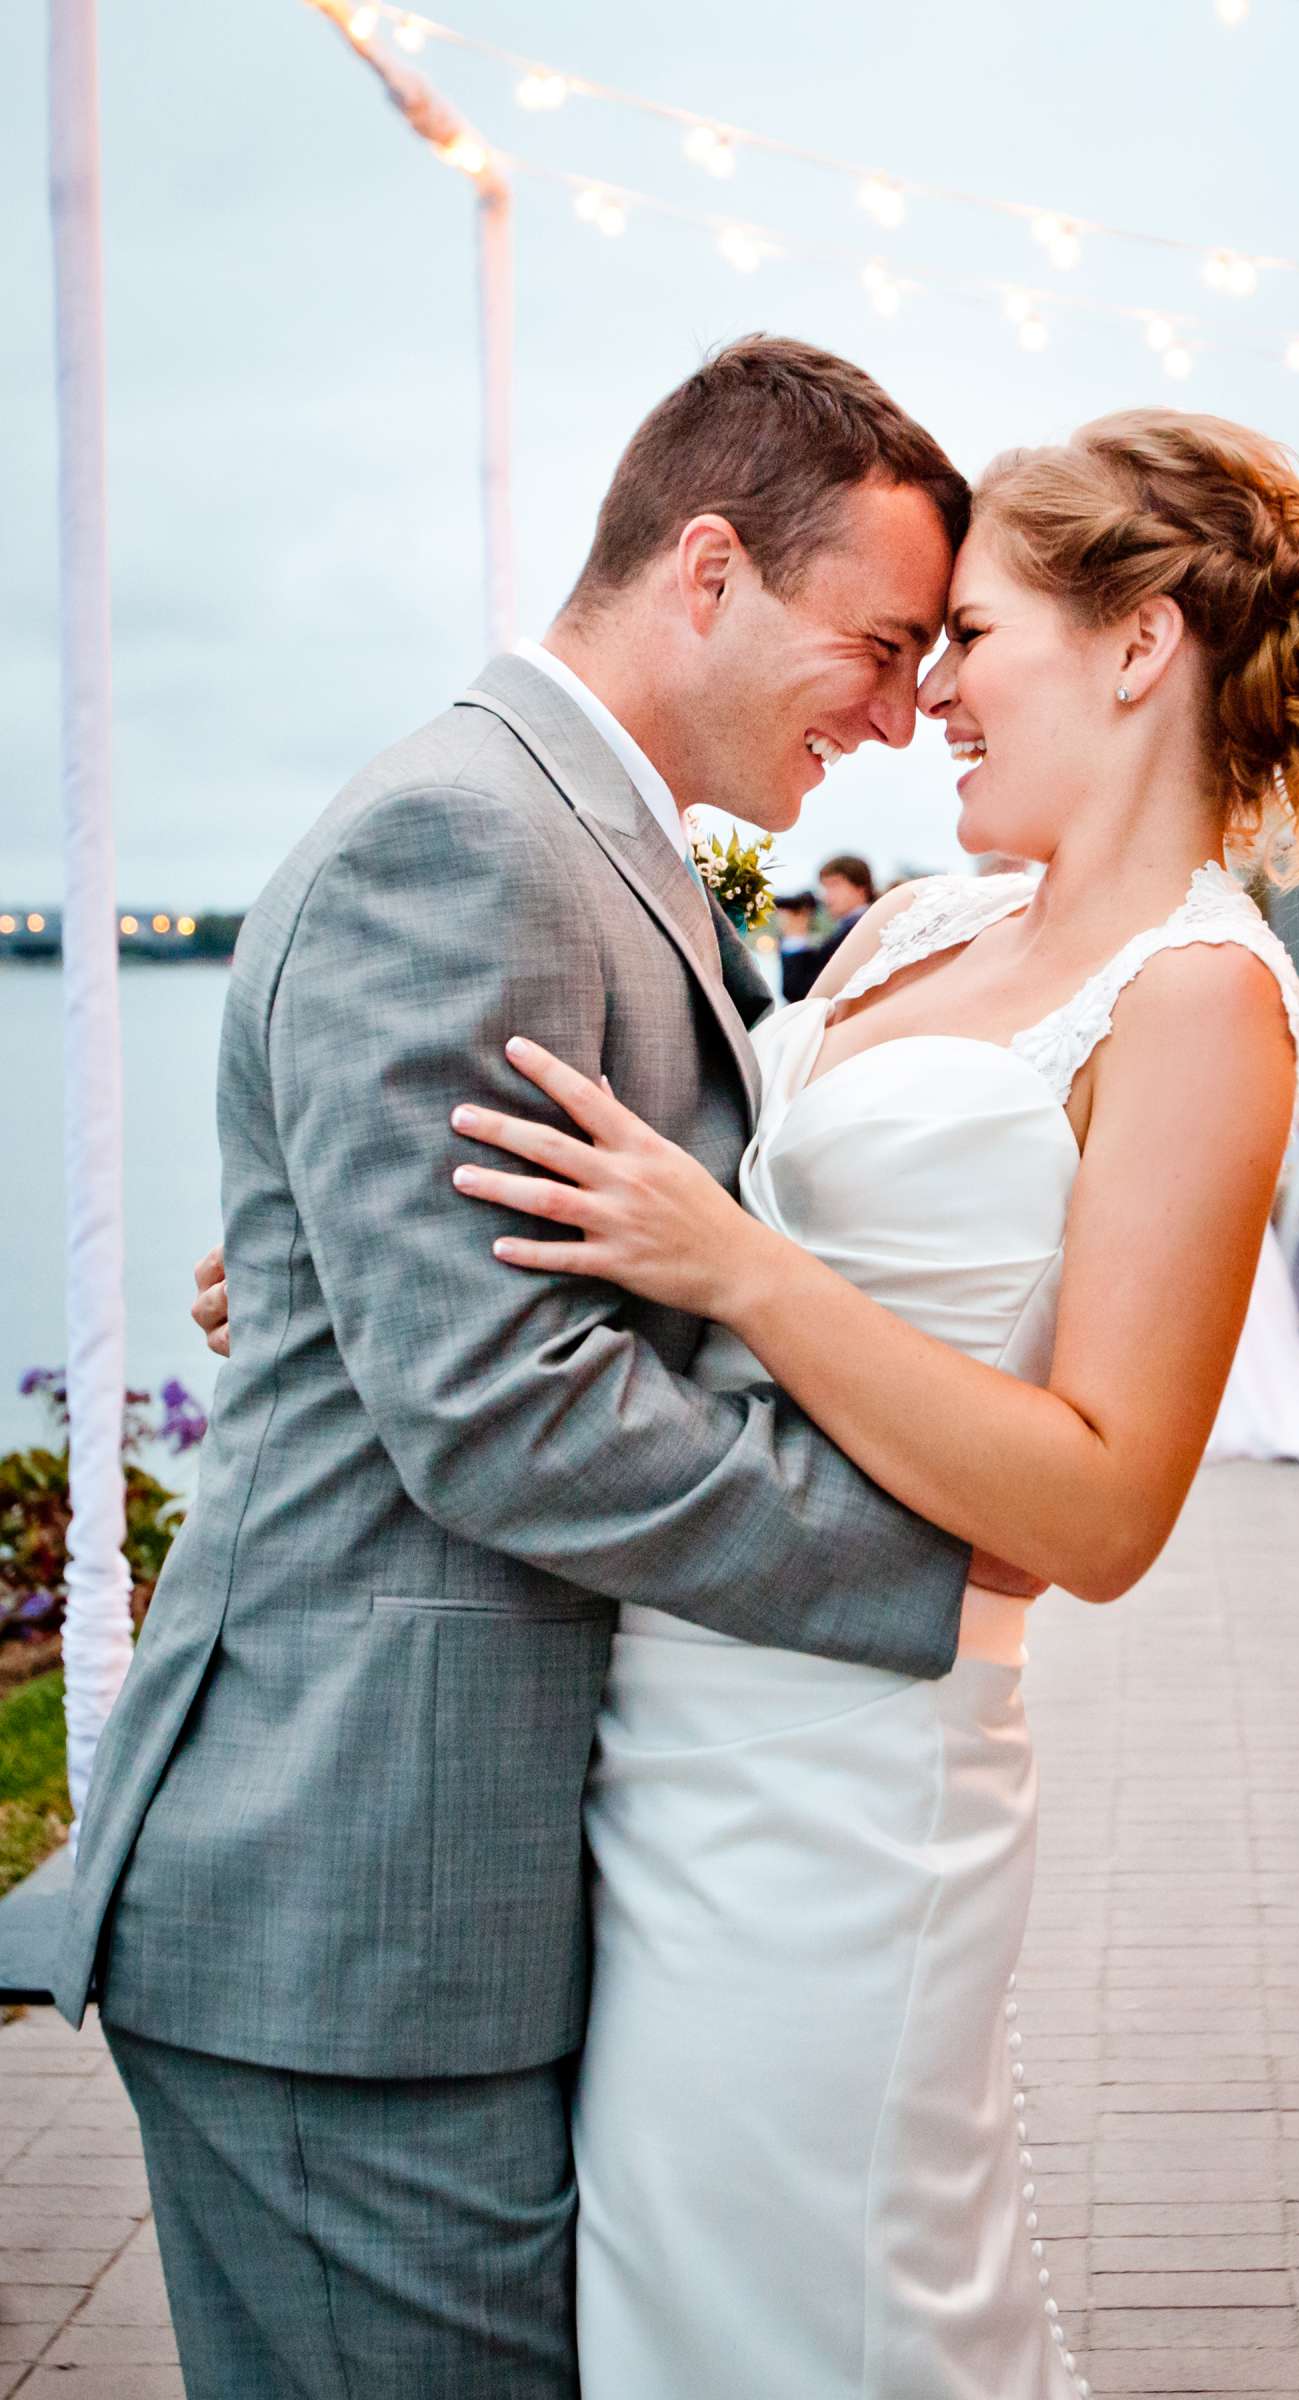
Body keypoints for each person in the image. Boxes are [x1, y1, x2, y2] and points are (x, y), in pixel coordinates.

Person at [57, 335, 984, 2400]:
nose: (909, 708)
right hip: (350, 1904)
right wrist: (928, 1552)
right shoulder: (469, 840)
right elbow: (499, 1403)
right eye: (885, 641)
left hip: (456, 1896)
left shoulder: (572, 831)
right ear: (712, 569)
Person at [451, 407, 1299, 2397]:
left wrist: (745, 1273)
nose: (925, 696)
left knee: (818, 2316)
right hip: (661, 1725)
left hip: (854, 1777)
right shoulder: (916, 923)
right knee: (661, 2318)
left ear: (1138, 642)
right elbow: (677, 1219)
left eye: (967, 637)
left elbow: (1101, 1509)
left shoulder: (1195, 1000)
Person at [809, 849, 878, 975]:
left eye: (834, 885)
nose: (827, 896)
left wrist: (794, 936)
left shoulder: (867, 927)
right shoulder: (848, 927)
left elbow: (802, 987)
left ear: (860, 887)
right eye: (825, 887)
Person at [774, 887, 824, 1001]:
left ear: (804, 914)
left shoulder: (815, 953)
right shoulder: (786, 947)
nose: (781, 920)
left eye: (788, 914)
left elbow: (794, 990)